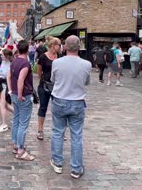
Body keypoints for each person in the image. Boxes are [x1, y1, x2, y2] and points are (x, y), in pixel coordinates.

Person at [50, 35, 91, 179]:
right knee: (77, 135)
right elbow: (86, 82)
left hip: (60, 100)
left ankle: (57, 162)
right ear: (79, 47)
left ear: (65, 47)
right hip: (77, 101)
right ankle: (76, 168)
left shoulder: (57, 63)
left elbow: (53, 80)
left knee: (57, 132)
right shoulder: (86, 64)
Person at [7, 40, 35, 161]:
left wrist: (11, 91)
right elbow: (21, 80)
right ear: (27, 49)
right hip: (23, 95)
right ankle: (20, 150)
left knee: (16, 120)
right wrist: (19, 94)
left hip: (14, 94)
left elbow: (9, 76)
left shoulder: (14, 61)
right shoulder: (25, 63)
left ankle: (15, 145)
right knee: (23, 123)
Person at [36, 37, 61, 141]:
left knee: (58, 109)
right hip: (44, 86)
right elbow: (39, 72)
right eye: (59, 45)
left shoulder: (60, 57)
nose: (60, 47)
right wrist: (44, 80)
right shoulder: (43, 57)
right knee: (43, 107)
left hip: (57, 86)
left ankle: (58, 130)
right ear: (53, 45)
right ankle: (40, 130)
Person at [0, 48, 14, 133]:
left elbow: (9, 77)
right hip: (1, 83)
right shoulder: (3, 62)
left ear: (6, 56)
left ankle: (4, 124)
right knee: (5, 105)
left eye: (2, 55)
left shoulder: (12, 64)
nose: (1, 56)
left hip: (6, 84)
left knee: (2, 104)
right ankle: (18, 115)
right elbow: (0, 73)